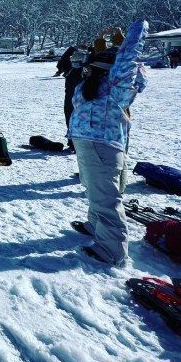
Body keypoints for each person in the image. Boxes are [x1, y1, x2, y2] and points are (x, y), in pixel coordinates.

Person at [69, 21, 148, 266]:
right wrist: (102, 45)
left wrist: (134, 33)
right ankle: (95, 225)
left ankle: (112, 250)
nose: (86, 69)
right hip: (87, 143)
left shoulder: (118, 88)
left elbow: (129, 61)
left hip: (102, 146)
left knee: (106, 197)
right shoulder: (91, 84)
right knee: (94, 190)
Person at [63, 47, 87, 150]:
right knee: (77, 121)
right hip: (78, 102)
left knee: (71, 121)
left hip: (71, 101)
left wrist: (73, 48)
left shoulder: (71, 71)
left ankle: (73, 142)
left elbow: (64, 59)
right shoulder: (84, 72)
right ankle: (75, 143)